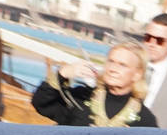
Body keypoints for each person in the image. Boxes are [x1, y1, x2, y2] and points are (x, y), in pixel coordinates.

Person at [30, 41, 158, 128]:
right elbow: (41, 103)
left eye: (122, 65)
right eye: (111, 61)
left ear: (137, 74)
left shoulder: (144, 120)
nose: (113, 69)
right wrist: (62, 74)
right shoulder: (82, 98)